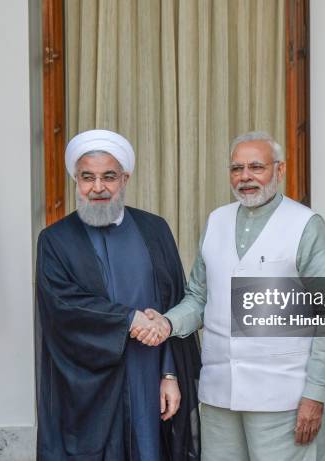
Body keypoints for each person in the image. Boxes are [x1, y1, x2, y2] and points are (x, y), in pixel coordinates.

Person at [132, 131, 325, 461]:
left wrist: (315, 394)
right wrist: (165, 322)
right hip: (220, 396)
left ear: (280, 169)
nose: (245, 177)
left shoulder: (305, 225)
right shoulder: (217, 221)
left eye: (256, 167)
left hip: (283, 398)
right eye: (236, 168)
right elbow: (198, 298)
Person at [35, 129, 201, 461]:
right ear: (76, 181)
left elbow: (172, 304)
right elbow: (62, 307)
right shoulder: (55, 239)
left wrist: (169, 374)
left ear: (125, 178)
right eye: (88, 178)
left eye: (108, 177)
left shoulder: (154, 230)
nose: (98, 187)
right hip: (87, 384)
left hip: (148, 371)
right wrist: (128, 319)